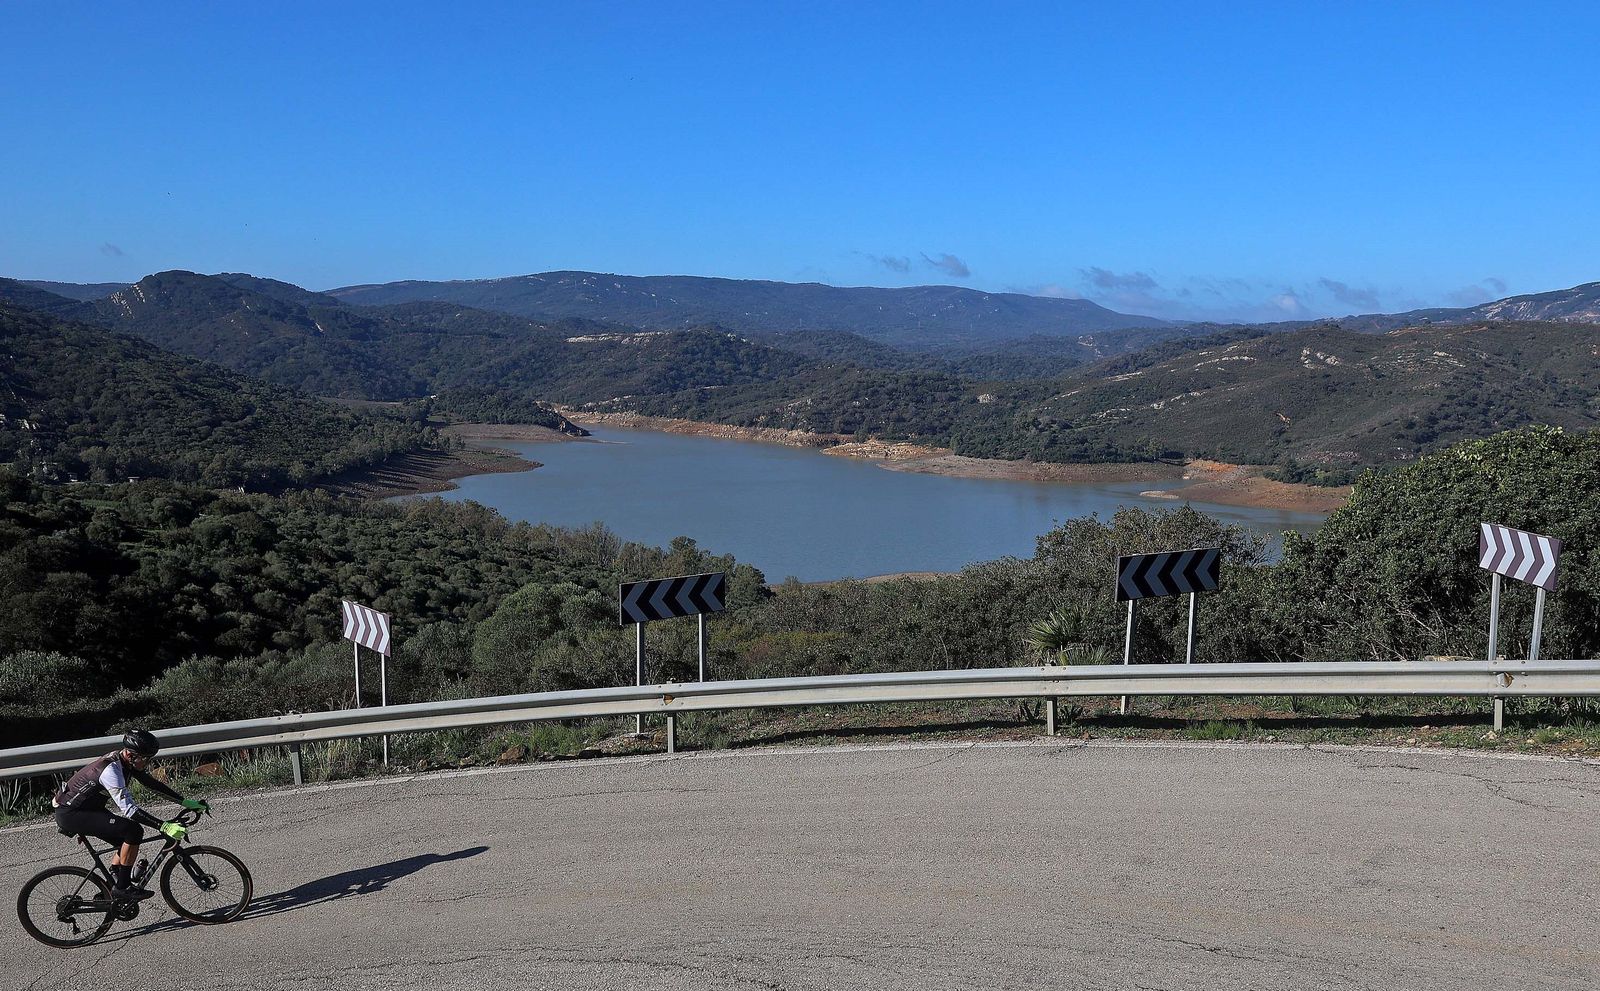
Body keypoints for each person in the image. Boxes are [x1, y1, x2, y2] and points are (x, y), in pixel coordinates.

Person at [52, 729, 209, 901]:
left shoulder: (125, 762)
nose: (148, 763)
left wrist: (186, 802)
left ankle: (114, 877)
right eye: (145, 758)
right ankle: (123, 888)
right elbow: (130, 811)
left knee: (125, 840)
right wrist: (163, 826)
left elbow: (152, 784)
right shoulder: (111, 771)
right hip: (72, 813)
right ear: (130, 754)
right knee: (133, 830)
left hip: (86, 809)